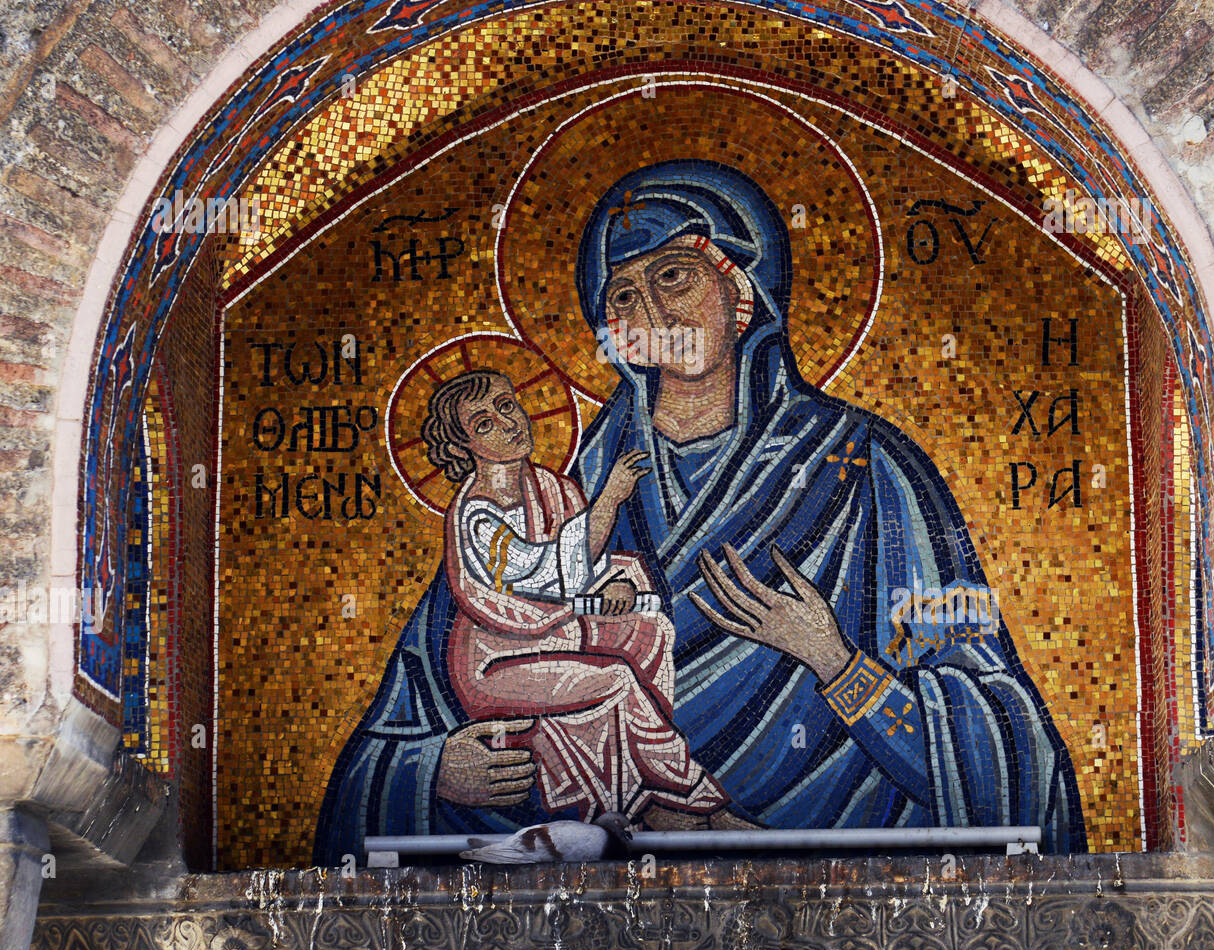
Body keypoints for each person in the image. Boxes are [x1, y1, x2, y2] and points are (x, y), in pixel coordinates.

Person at [313, 159, 1087, 865]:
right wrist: (434, 769)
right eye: (624, 296)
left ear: (741, 287)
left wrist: (837, 662)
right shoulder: (558, 495)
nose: (651, 309)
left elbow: (1012, 752)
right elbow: (413, 713)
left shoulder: (866, 469)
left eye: (675, 275)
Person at [427, 368, 729, 826]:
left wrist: (617, 584)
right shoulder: (475, 518)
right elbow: (543, 573)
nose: (507, 423)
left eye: (507, 406)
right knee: (617, 680)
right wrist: (609, 498)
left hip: (558, 634)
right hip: (500, 663)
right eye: (483, 423)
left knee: (651, 631)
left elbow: (588, 567)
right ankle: (684, 796)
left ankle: (633, 789)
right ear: (459, 448)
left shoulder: (553, 488)